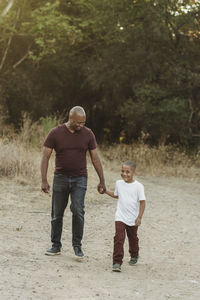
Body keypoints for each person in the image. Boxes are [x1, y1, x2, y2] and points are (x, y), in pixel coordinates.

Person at [41, 106, 106, 257]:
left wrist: (102, 180)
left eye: (83, 122)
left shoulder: (88, 134)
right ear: (70, 118)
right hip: (60, 178)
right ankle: (55, 245)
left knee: (78, 210)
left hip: (80, 179)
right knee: (57, 213)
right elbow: (45, 156)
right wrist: (44, 180)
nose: (81, 125)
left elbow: (95, 158)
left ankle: (77, 246)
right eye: (78, 122)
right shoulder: (55, 133)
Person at [105, 161, 146, 272]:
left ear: (133, 172)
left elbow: (142, 202)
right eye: (122, 171)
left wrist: (139, 217)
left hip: (132, 218)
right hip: (120, 216)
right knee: (119, 238)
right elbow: (116, 195)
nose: (124, 174)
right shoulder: (119, 183)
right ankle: (117, 262)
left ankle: (134, 254)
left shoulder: (138, 186)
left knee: (133, 238)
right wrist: (105, 191)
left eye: (127, 172)